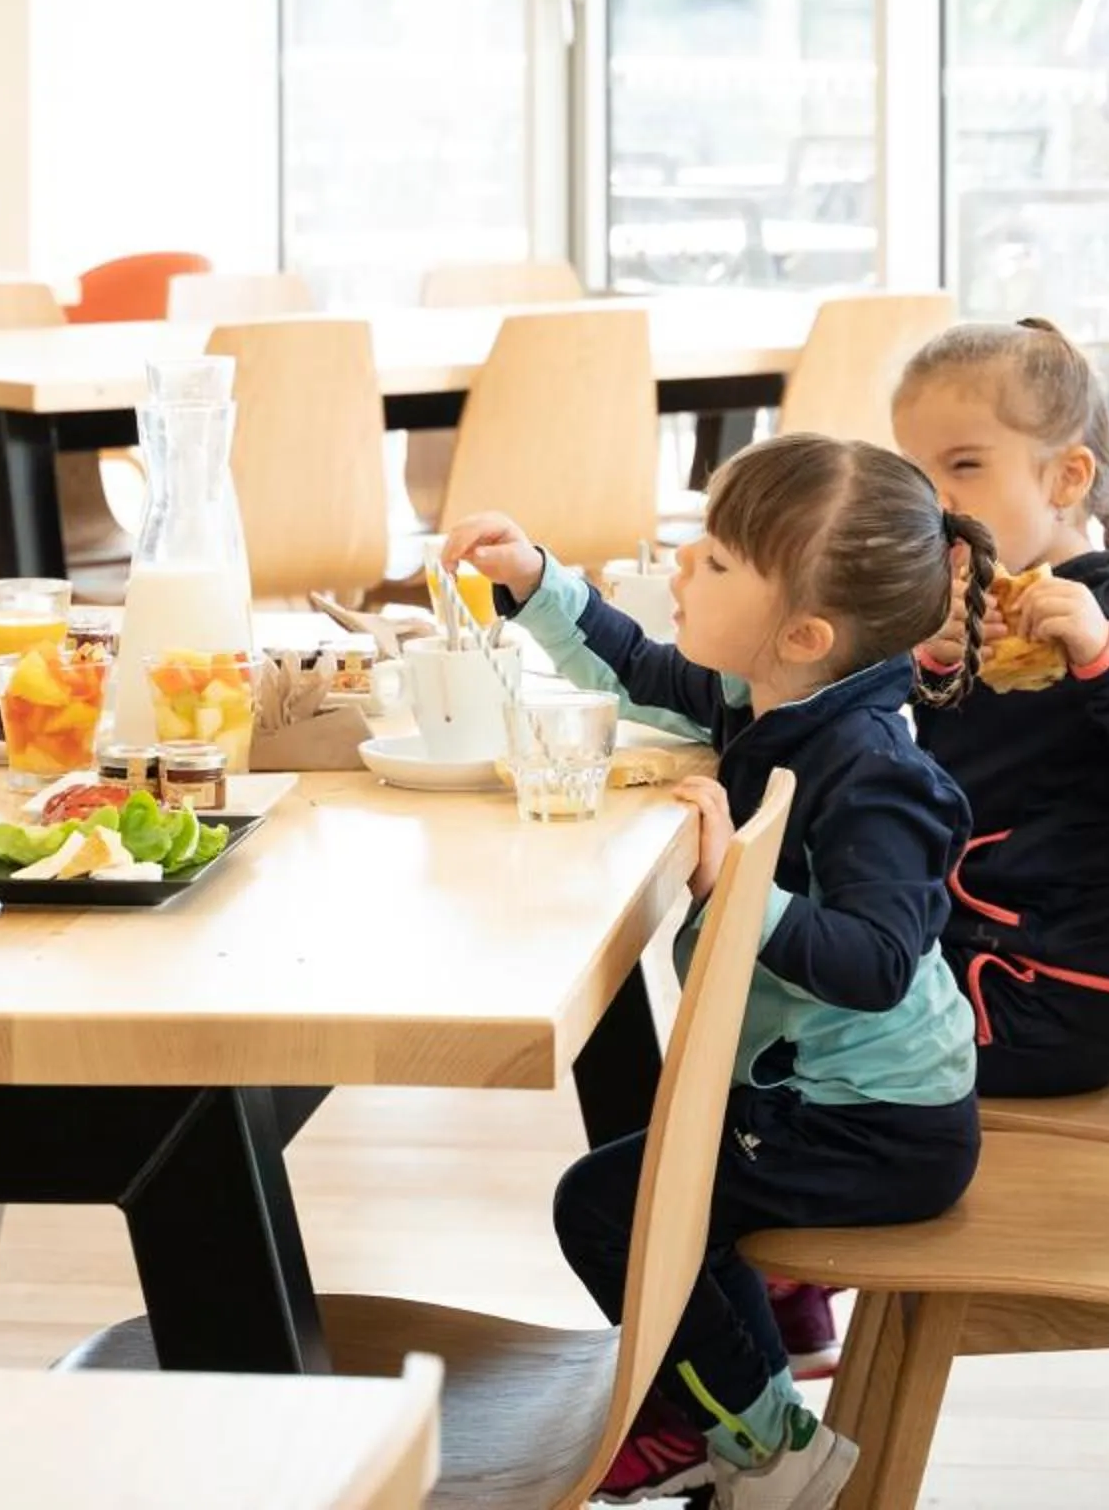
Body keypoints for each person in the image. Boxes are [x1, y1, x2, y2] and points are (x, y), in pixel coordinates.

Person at [444, 435, 987, 1510]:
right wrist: (537, 581)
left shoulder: (877, 771)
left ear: (806, 632)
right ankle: (730, 1393)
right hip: (813, 1092)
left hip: (876, 1125)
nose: (686, 564)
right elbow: (644, 670)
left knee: (611, 1203)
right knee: (652, 1178)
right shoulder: (777, 695)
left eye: (721, 560)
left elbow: (878, 961)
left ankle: (766, 1442)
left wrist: (736, 877)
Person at [890, 317, 1109, 1098]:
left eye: (967, 466)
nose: (938, 501)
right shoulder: (956, 609)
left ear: (1066, 480)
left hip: (1040, 998)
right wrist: (923, 666)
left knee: (775, 1049)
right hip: (952, 964)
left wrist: (1104, 655)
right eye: (916, 475)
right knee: (759, 998)